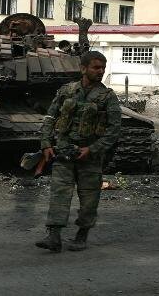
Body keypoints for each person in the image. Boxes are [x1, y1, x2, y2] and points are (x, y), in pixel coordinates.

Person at [35, 51, 122, 253]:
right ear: (83, 68)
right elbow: (50, 117)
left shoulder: (107, 97)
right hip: (64, 151)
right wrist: (46, 143)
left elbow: (114, 130)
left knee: (89, 198)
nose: (100, 71)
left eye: (103, 67)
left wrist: (93, 149)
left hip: (90, 156)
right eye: (96, 67)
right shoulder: (67, 91)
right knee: (59, 193)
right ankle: (54, 236)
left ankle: (81, 236)